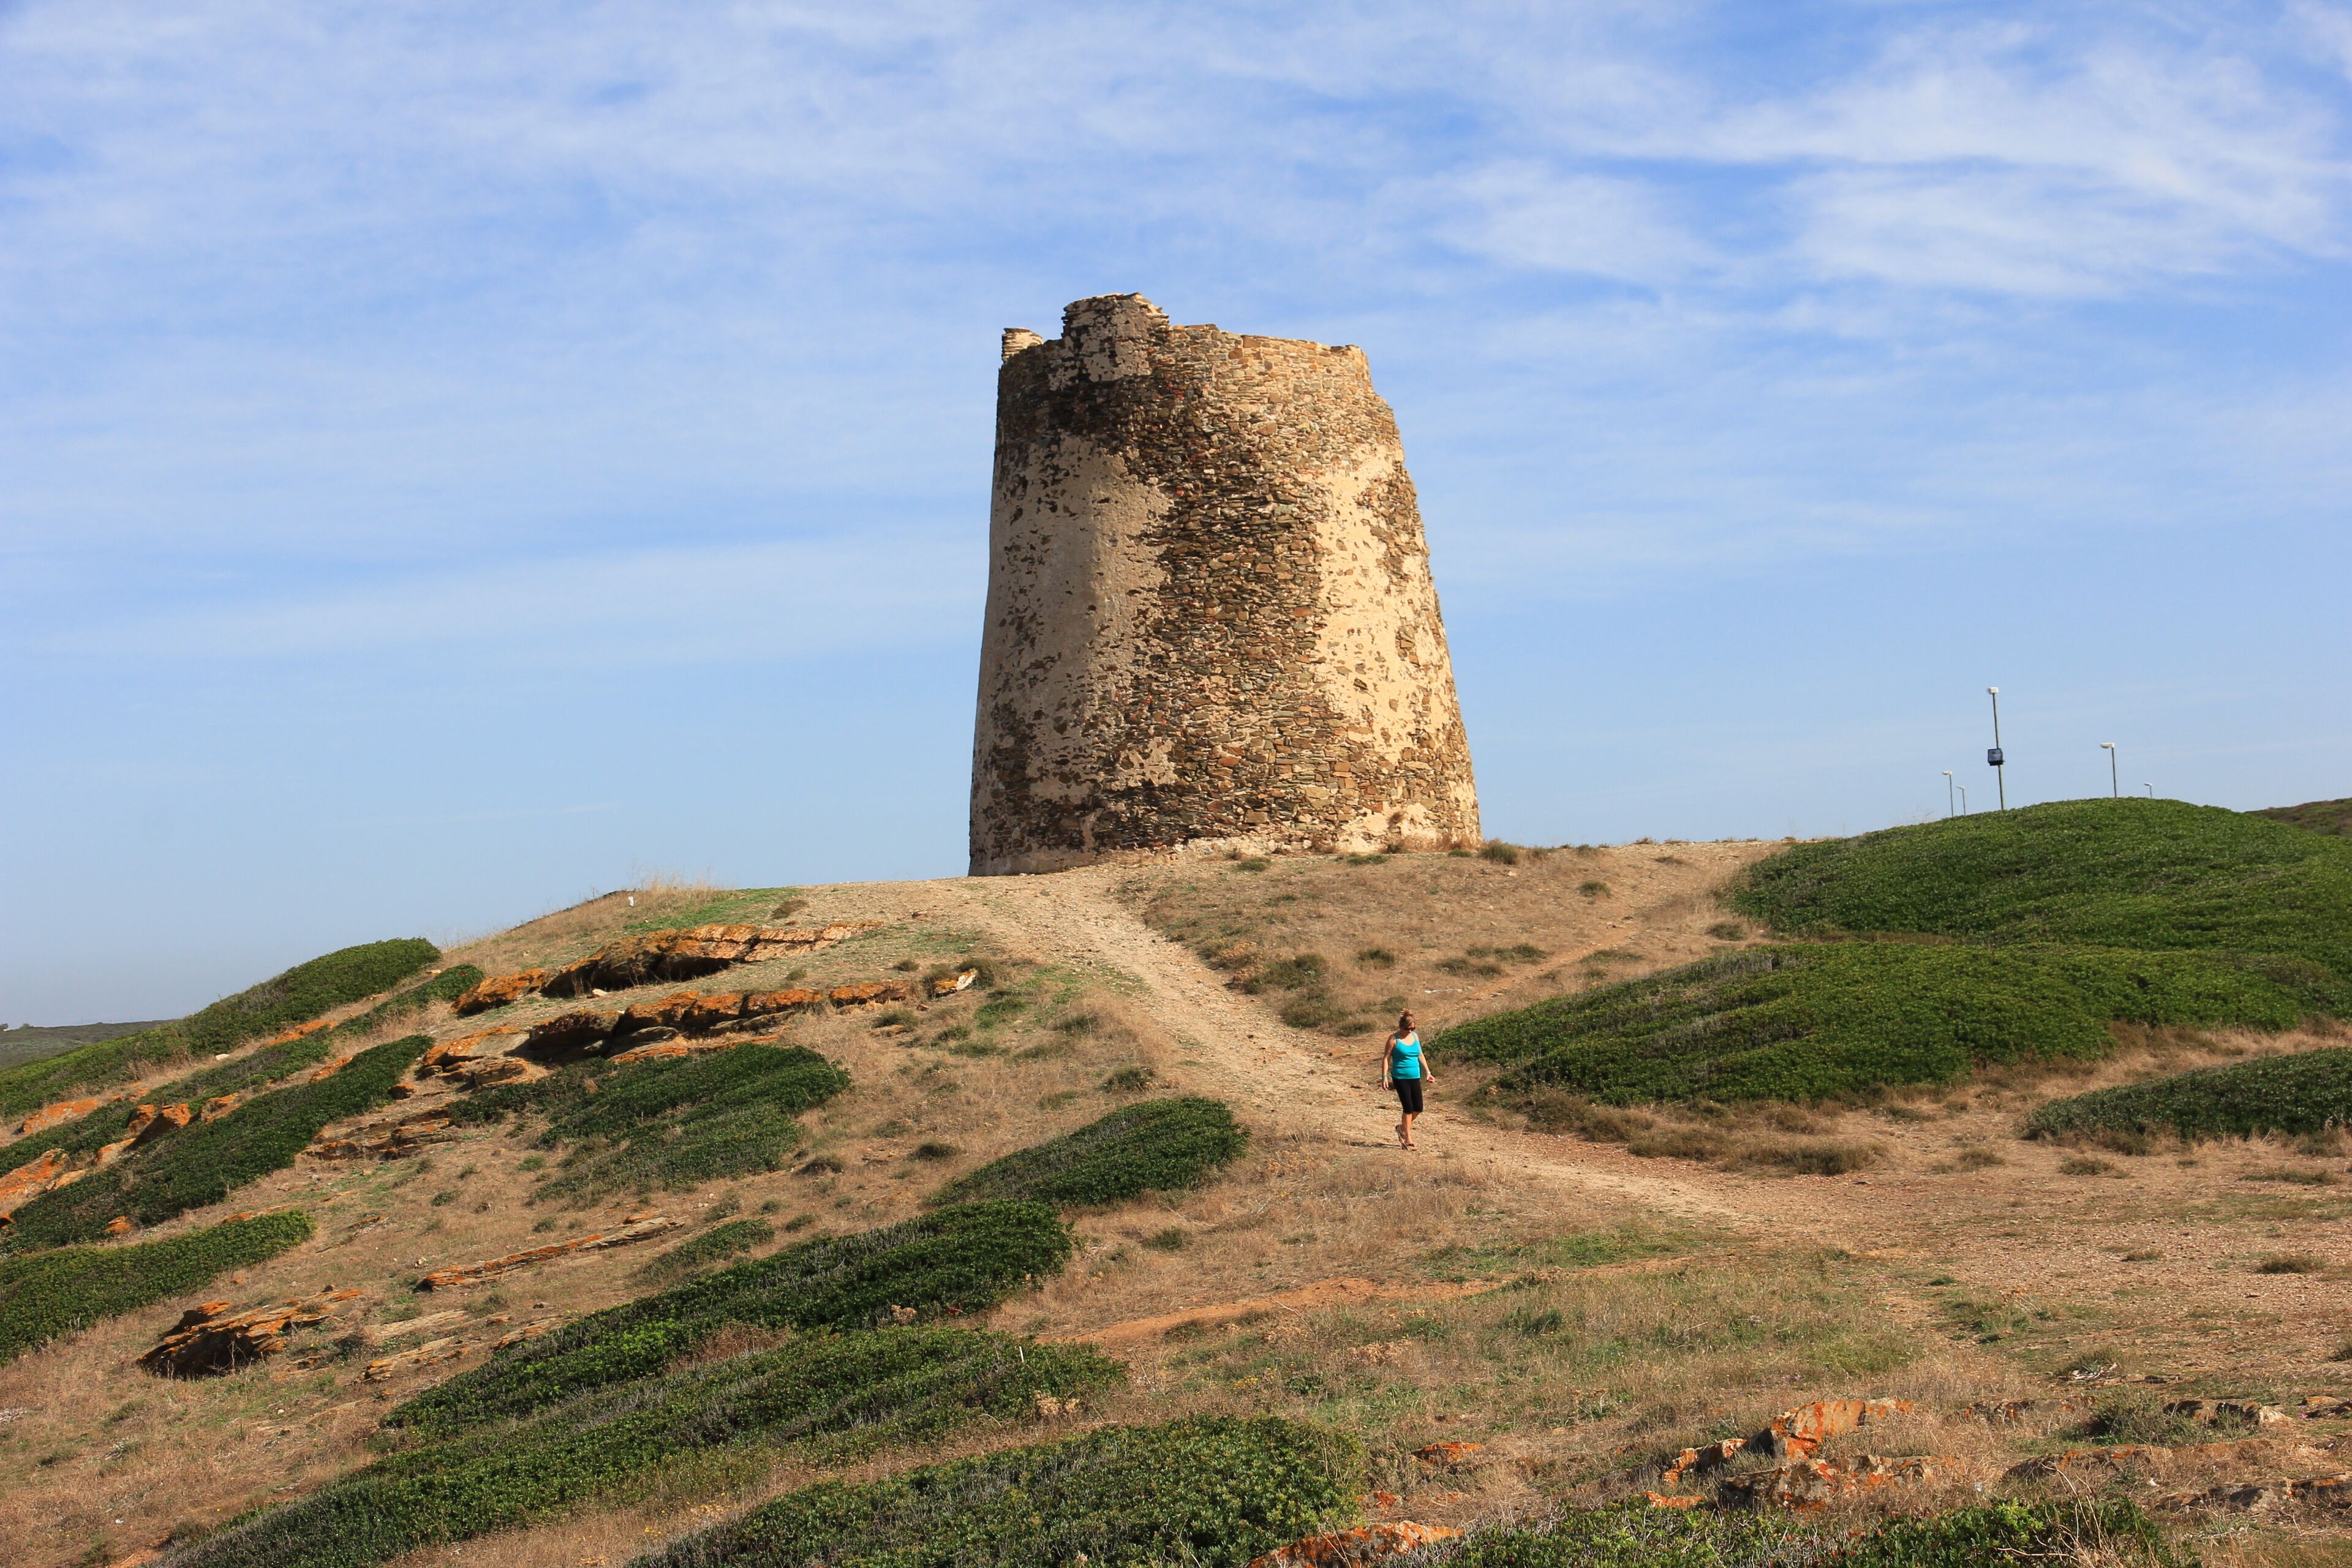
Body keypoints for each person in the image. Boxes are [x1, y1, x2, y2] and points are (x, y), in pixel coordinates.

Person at [1381, 1011, 1430, 1150]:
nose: (1410, 1031)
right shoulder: (1394, 1039)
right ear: (1401, 1027)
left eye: (1413, 1028)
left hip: (1415, 1076)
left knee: (1418, 1108)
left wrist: (1428, 1072)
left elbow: (1420, 1055)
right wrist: (1384, 1077)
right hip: (1400, 1077)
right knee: (1408, 1108)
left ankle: (1401, 1128)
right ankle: (1408, 1139)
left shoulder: (1414, 1036)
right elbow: (1386, 1058)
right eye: (1407, 1029)